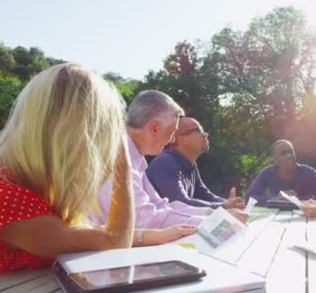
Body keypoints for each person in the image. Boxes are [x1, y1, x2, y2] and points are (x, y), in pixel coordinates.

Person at [0, 64, 190, 277]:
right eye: (102, 129)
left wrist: (155, 236)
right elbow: (114, 242)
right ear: (72, 133)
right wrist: (121, 155)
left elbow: (93, 234)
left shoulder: (28, 184)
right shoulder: (5, 196)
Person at [90, 90, 247, 230]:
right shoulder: (115, 154)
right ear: (154, 128)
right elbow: (143, 220)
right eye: (172, 132)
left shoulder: (134, 157)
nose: (172, 140)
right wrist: (215, 220)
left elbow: (161, 206)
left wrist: (214, 213)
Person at [146, 117, 245, 209]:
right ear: (182, 138)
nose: (205, 134)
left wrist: (231, 203)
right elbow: (181, 204)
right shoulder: (165, 162)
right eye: (199, 131)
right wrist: (224, 205)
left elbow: (205, 195)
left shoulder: (191, 165)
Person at [246, 140, 316, 205]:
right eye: (283, 153)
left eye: (290, 151)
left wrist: (298, 201)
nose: (289, 155)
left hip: (304, 217)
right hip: (274, 218)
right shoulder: (267, 173)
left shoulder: (309, 172)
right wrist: (274, 199)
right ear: (275, 160)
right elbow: (249, 197)